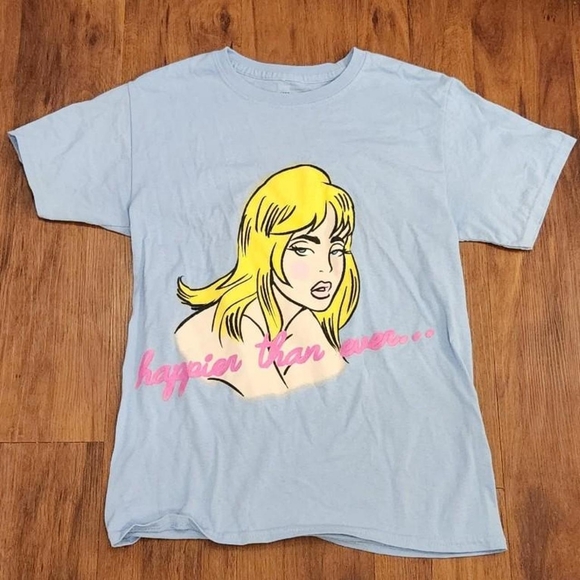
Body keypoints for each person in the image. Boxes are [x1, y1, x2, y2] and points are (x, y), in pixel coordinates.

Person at [174, 164, 360, 398]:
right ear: (264, 250)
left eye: (336, 249)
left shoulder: (301, 318)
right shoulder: (240, 322)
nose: (327, 267)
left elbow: (336, 383)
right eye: (302, 249)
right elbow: (274, 404)